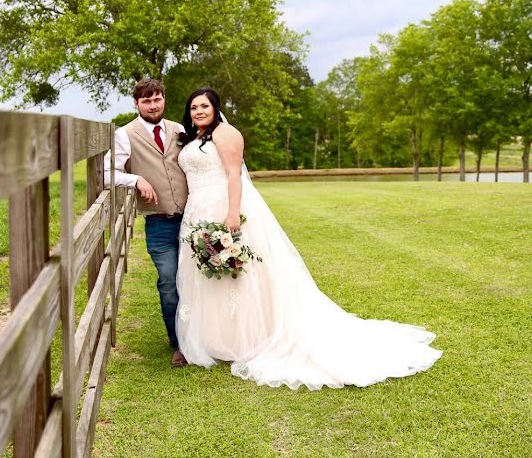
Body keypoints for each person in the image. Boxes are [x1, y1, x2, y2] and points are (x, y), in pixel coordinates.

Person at [175, 88, 442, 389]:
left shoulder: (226, 134)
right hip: (196, 212)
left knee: (236, 273)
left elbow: (234, 175)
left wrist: (232, 214)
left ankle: (246, 337)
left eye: (204, 106)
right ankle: (215, 337)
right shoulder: (192, 138)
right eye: (194, 106)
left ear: (215, 108)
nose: (199, 111)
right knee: (209, 276)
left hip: (224, 205)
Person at [104, 78, 188, 367]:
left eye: (157, 99)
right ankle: (178, 342)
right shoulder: (125, 134)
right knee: (168, 281)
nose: (153, 105)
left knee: (196, 281)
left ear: (164, 98)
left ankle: (202, 338)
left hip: (192, 219)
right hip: (159, 224)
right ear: (136, 104)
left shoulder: (180, 129)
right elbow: (106, 173)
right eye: (146, 101)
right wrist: (136, 178)